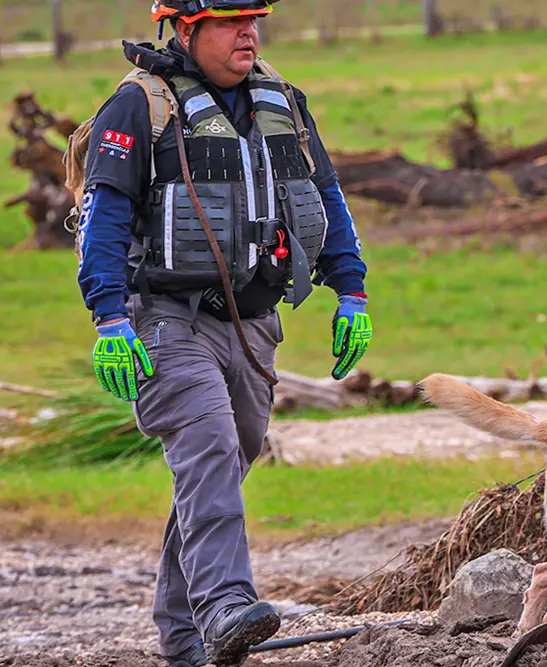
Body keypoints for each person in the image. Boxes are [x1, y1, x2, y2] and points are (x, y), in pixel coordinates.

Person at [74, 2, 373, 665]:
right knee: (207, 443)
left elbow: (326, 196)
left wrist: (350, 290)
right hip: (162, 318)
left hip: (253, 322)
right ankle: (226, 606)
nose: (248, 34)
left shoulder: (284, 103)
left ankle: (185, 639)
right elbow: (103, 216)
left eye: (253, 20)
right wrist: (109, 317)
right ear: (185, 30)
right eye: (229, 21)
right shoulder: (140, 107)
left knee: (229, 456)